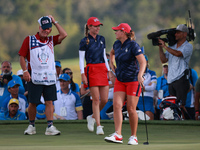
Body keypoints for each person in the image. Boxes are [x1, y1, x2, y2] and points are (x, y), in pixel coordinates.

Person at [18, 15, 67, 135]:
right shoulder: (29, 40)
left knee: (49, 101)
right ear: (39, 27)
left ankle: (50, 126)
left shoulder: (51, 40)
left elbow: (64, 35)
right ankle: (31, 125)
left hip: (49, 76)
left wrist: (55, 22)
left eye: (49, 28)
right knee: (33, 102)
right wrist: (24, 71)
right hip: (34, 75)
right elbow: (21, 56)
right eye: (44, 28)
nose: (46, 30)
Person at [104, 23, 146, 145]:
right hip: (120, 80)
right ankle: (118, 134)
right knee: (117, 106)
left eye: (117, 30)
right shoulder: (116, 44)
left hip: (133, 80)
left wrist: (140, 75)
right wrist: (112, 67)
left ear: (123, 32)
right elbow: (111, 54)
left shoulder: (133, 45)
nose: (115, 32)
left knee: (131, 108)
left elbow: (142, 62)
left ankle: (134, 136)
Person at [79, 17, 111, 135]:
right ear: (89, 27)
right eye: (95, 26)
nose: (98, 28)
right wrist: (83, 74)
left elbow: (104, 55)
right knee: (96, 100)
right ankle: (99, 125)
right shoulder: (84, 41)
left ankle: (91, 117)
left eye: (98, 26)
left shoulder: (102, 39)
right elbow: (81, 59)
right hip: (91, 69)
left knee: (105, 99)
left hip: (102, 68)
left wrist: (108, 70)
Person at [158, 24, 193, 118]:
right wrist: (160, 47)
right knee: (172, 106)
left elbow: (178, 54)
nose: (176, 34)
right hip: (171, 79)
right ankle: (180, 121)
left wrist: (165, 47)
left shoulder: (188, 46)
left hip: (181, 78)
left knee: (180, 105)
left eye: (178, 32)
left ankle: (187, 121)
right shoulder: (172, 46)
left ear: (185, 34)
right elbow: (164, 60)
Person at [137, 55, 157, 120]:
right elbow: (134, 87)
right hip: (137, 99)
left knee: (149, 120)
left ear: (147, 62)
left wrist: (142, 88)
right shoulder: (136, 73)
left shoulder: (152, 73)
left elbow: (153, 87)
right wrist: (147, 86)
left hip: (148, 99)